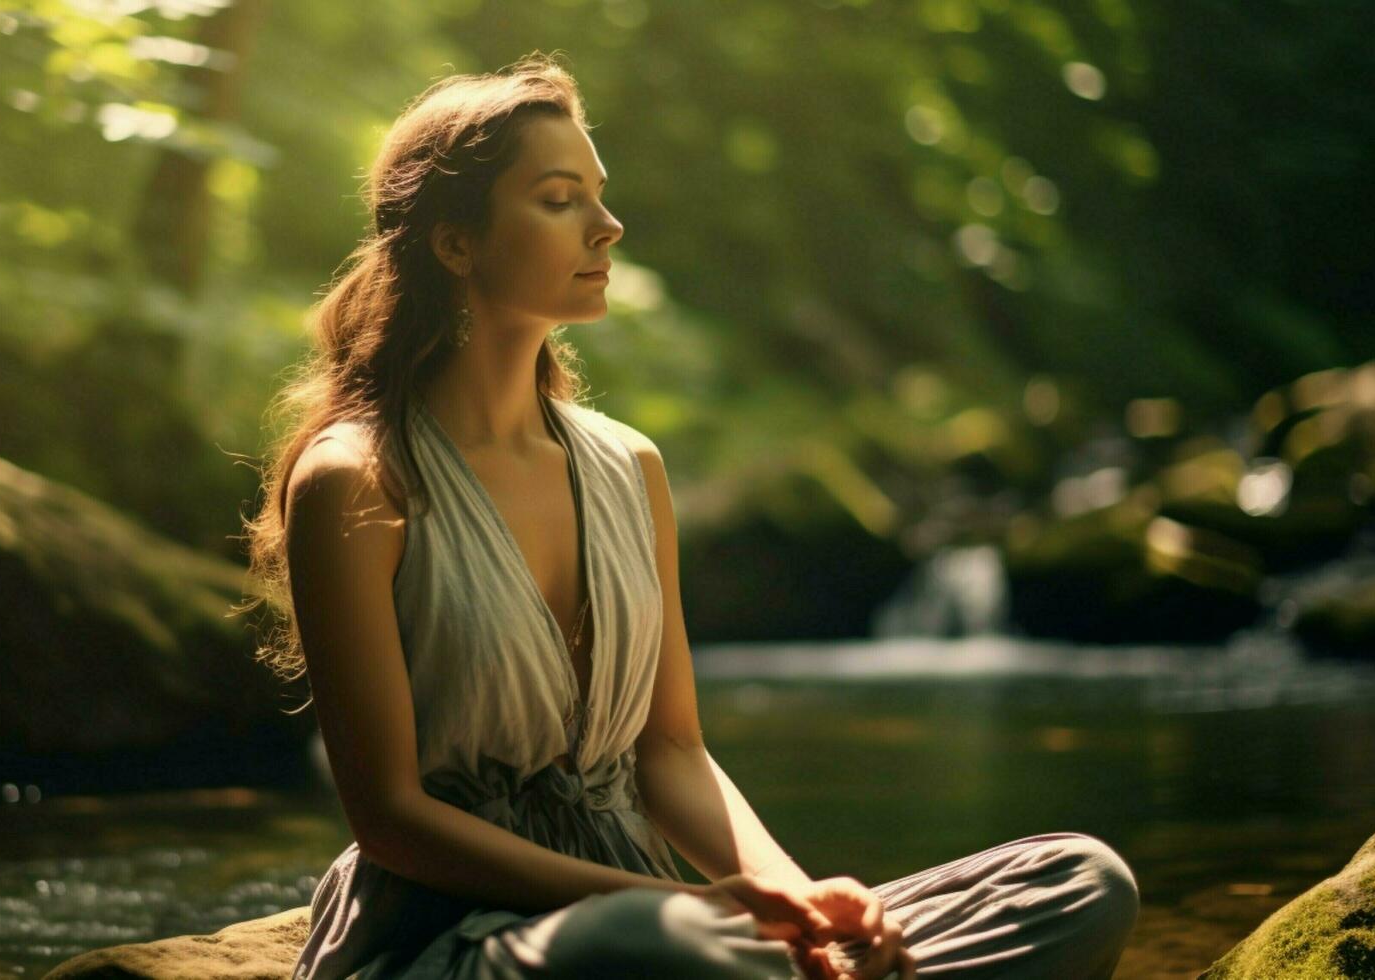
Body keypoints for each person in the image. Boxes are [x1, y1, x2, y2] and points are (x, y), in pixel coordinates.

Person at [236, 51, 1140, 979]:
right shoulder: (357, 481)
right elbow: (389, 821)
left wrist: (799, 906)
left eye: (600, 194)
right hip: (474, 936)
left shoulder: (630, 467)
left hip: (683, 933)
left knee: (1077, 879)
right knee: (662, 948)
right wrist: (680, 907)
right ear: (453, 242)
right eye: (560, 200)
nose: (608, 226)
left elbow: (670, 751)